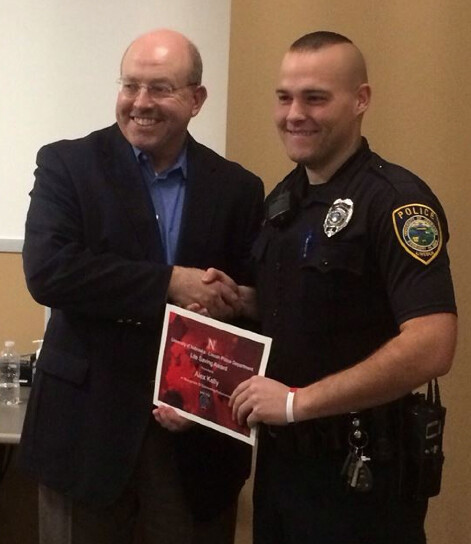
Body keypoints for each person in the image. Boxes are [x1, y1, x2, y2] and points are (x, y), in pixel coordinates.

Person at [19, 28, 264, 544]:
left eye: (160, 88)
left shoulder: (238, 188)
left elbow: (250, 305)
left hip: (192, 446)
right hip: (85, 435)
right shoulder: (67, 165)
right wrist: (169, 283)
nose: (140, 103)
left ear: (196, 99)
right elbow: (49, 271)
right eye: (131, 86)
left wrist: (231, 306)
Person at [224, 31, 457, 543]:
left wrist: (296, 403)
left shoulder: (396, 203)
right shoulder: (285, 200)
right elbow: (304, 311)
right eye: (284, 97)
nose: (294, 114)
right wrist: (240, 301)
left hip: (361, 475)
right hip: (284, 471)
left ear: (361, 100)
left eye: (315, 98)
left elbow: (432, 344)